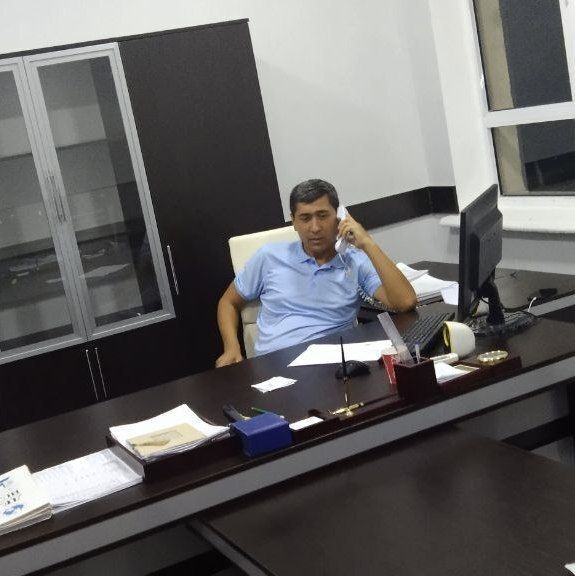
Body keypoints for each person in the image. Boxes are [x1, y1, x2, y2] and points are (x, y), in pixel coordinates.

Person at [216, 179, 417, 367]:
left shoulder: (354, 261)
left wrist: (367, 243)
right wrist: (231, 348)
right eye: (305, 218)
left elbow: (406, 301)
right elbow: (228, 302)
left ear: (339, 217)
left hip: (330, 366)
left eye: (323, 216)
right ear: (293, 222)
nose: (315, 228)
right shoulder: (268, 257)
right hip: (273, 367)